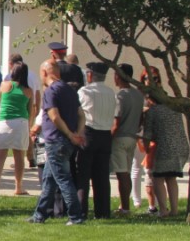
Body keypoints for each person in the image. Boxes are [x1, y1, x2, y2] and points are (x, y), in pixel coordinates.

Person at [30, 61, 86, 224]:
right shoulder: (70, 90)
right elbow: (81, 115)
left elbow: (54, 116)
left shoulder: (50, 91)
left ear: (45, 72)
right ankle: (40, 215)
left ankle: (76, 216)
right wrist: (78, 133)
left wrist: (70, 134)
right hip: (66, 141)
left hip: (56, 140)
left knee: (63, 178)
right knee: (49, 179)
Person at [76, 62, 117, 219]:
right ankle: (103, 211)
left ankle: (81, 210)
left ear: (90, 75)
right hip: (105, 134)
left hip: (89, 132)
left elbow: (78, 110)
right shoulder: (110, 92)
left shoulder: (85, 91)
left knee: (83, 174)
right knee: (102, 176)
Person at [140, 94, 190, 218]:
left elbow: (147, 134)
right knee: (171, 178)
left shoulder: (153, 111)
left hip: (165, 148)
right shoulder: (175, 109)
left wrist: (145, 149)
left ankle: (163, 210)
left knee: (158, 178)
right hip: (181, 147)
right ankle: (174, 209)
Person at [0, 61, 33, 197]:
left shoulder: (4, 85)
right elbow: (29, 110)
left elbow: (0, 101)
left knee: (0, 155)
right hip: (20, 122)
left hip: (4, 121)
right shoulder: (28, 90)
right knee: (19, 156)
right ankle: (18, 186)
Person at [110, 64, 145, 213]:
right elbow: (141, 117)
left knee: (122, 173)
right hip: (132, 137)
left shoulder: (120, 96)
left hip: (121, 137)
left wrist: (109, 137)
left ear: (119, 76)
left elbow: (116, 122)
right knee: (127, 173)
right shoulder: (138, 95)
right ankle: (125, 204)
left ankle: (125, 207)